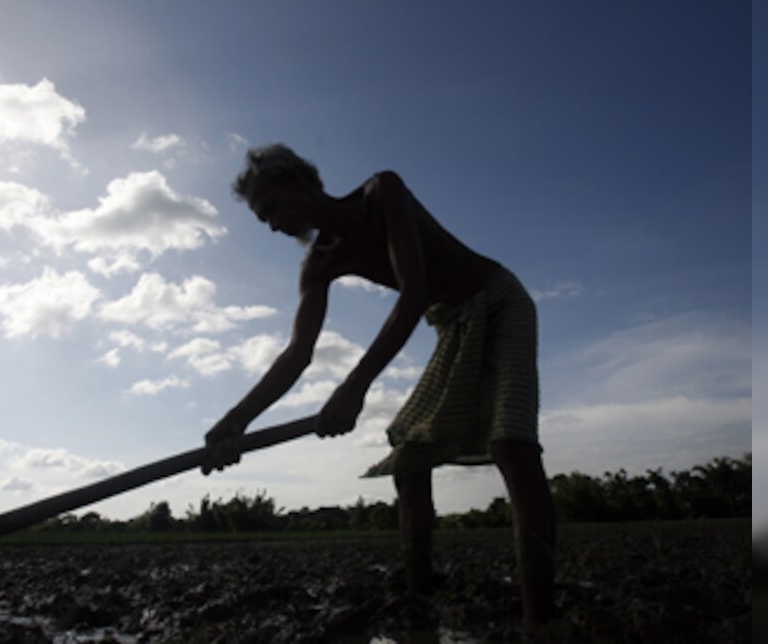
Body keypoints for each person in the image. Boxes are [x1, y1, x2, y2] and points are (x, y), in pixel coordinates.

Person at [201, 143, 555, 627]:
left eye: (271, 207)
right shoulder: (318, 265)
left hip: (497, 299)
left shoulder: (381, 192)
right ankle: (419, 601)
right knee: (409, 460)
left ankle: (543, 619)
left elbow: (416, 292)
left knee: (511, 445)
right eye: (261, 218)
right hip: (452, 324)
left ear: (299, 183)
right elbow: (298, 354)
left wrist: (355, 386)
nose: (270, 223)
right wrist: (234, 421)